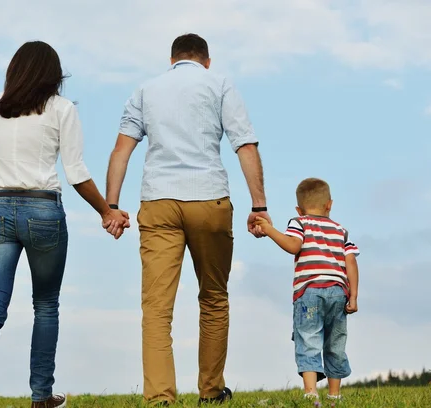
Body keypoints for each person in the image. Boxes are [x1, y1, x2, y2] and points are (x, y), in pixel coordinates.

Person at [0, 41, 129, 408]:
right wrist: (107, 212)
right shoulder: (61, 109)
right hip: (43, 211)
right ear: (52, 74)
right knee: (45, 305)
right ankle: (41, 396)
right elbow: (76, 172)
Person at [105, 33, 270, 406]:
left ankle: (160, 398)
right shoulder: (220, 83)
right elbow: (244, 144)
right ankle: (211, 391)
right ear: (206, 61)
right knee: (213, 298)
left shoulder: (146, 90)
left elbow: (121, 150)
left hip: (159, 201)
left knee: (157, 308)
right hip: (209, 197)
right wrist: (259, 206)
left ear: (172, 59)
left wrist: (111, 206)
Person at [254, 178, 360, 401]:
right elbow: (351, 263)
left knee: (308, 339)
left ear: (298, 209)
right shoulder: (341, 231)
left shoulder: (299, 222)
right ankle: (334, 395)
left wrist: (269, 229)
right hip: (338, 292)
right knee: (335, 343)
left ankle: (311, 395)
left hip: (309, 291)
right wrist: (354, 295)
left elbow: (293, 245)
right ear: (329, 204)